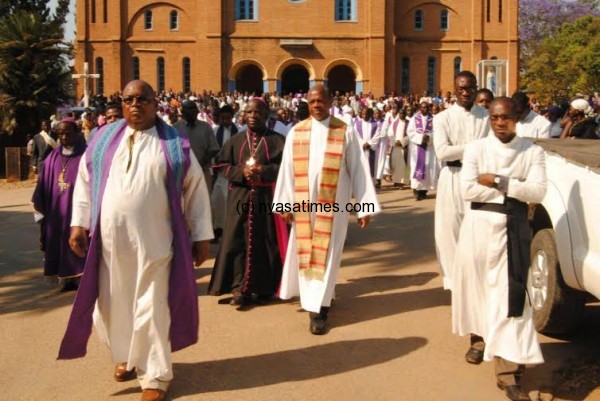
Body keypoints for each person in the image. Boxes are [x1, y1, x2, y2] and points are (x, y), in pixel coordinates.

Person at [58, 80, 213, 401]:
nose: (135, 105)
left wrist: (201, 236)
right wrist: (78, 223)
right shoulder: (102, 140)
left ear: (155, 104)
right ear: (122, 103)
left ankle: (155, 375)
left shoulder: (174, 145)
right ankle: (128, 357)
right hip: (109, 244)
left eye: (143, 99)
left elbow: (196, 190)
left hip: (155, 242)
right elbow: (84, 184)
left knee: (151, 306)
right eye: (129, 99)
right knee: (113, 305)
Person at [452, 97, 546, 401]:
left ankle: (508, 373)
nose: (499, 123)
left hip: (513, 230)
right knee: (478, 291)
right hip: (478, 229)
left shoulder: (532, 151)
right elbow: (467, 188)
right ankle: (479, 341)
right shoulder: (477, 149)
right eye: (494, 118)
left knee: (511, 298)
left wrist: (498, 180)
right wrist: (515, 188)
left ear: (517, 117)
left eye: (505, 117)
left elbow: (538, 190)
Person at [273, 85, 381, 335]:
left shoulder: (344, 131)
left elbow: (359, 170)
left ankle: (318, 311)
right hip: (303, 205)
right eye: (312, 102)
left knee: (327, 253)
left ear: (330, 101)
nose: (317, 105)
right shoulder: (296, 132)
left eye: (321, 101)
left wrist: (364, 207)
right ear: (307, 104)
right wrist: (285, 203)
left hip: (334, 205)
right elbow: (287, 170)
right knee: (308, 252)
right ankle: (322, 297)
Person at [208, 98, 287, 305]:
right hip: (240, 197)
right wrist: (241, 172)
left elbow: (288, 169)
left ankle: (264, 288)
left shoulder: (278, 140)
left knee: (266, 242)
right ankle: (238, 288)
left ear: (265, 114)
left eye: (257, 112)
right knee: (236, 240)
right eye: (249, 112)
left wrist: (264, 171)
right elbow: (221, 165)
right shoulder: (236, 140)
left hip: (266, 199)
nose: (253, 116)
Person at [433, 71, 491, 290]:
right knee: (449, 229)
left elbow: (493, 147)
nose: (466, 92)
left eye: (470, 88)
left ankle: (477, 280)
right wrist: (475, 148)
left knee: (479, 227)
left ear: (476, 88)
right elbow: (442, 152)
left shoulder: (486, 117)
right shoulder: (442, 118)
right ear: (455, 89)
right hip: (452, 177)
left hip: (479, 178)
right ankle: (454, 282)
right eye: (462, 88)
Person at [31, 119, 86, 292]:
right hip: (56, 212)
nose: (63, 137)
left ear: (77, 133)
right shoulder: (52, 158)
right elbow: (42, 186)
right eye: (60, 134)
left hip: (77, 211)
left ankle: (81, 279)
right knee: (58, 243)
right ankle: (65, 279)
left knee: (79, 243)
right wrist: (42, 213)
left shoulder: (86, 155)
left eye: (68, 133)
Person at [174, 100, 220, 189]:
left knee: (203, 201)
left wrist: (199, 163)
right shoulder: (176, 128)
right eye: (188, 109)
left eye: (193, 109)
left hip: (203, 172)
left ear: (197, 111)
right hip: (182, 174)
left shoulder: (205, 127)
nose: (191, 112)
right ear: (182, 112)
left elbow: (214, 149)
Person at [210, 104, 239, 243]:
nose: (226, 121)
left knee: (231, 200)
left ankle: (231, 230)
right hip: (219, 171)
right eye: (223, 118)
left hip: (234, 170)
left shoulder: (239, 131)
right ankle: (217, 229)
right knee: (217, 200)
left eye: (228, 118)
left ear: (232, 118)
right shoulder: (215, 131)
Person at [407, 102, 438, 200]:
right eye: (423, 107)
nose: (425, 109)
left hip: (429, 148)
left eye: (426, 107)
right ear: (420, 108)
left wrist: (429, 137)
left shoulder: (433, 119)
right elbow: (410, 132)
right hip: (417, 147)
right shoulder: (414, 119)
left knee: (428, 167)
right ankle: (416, 191)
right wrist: (421, 137)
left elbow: (437, 131)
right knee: (417, 166)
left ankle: (424, 191)